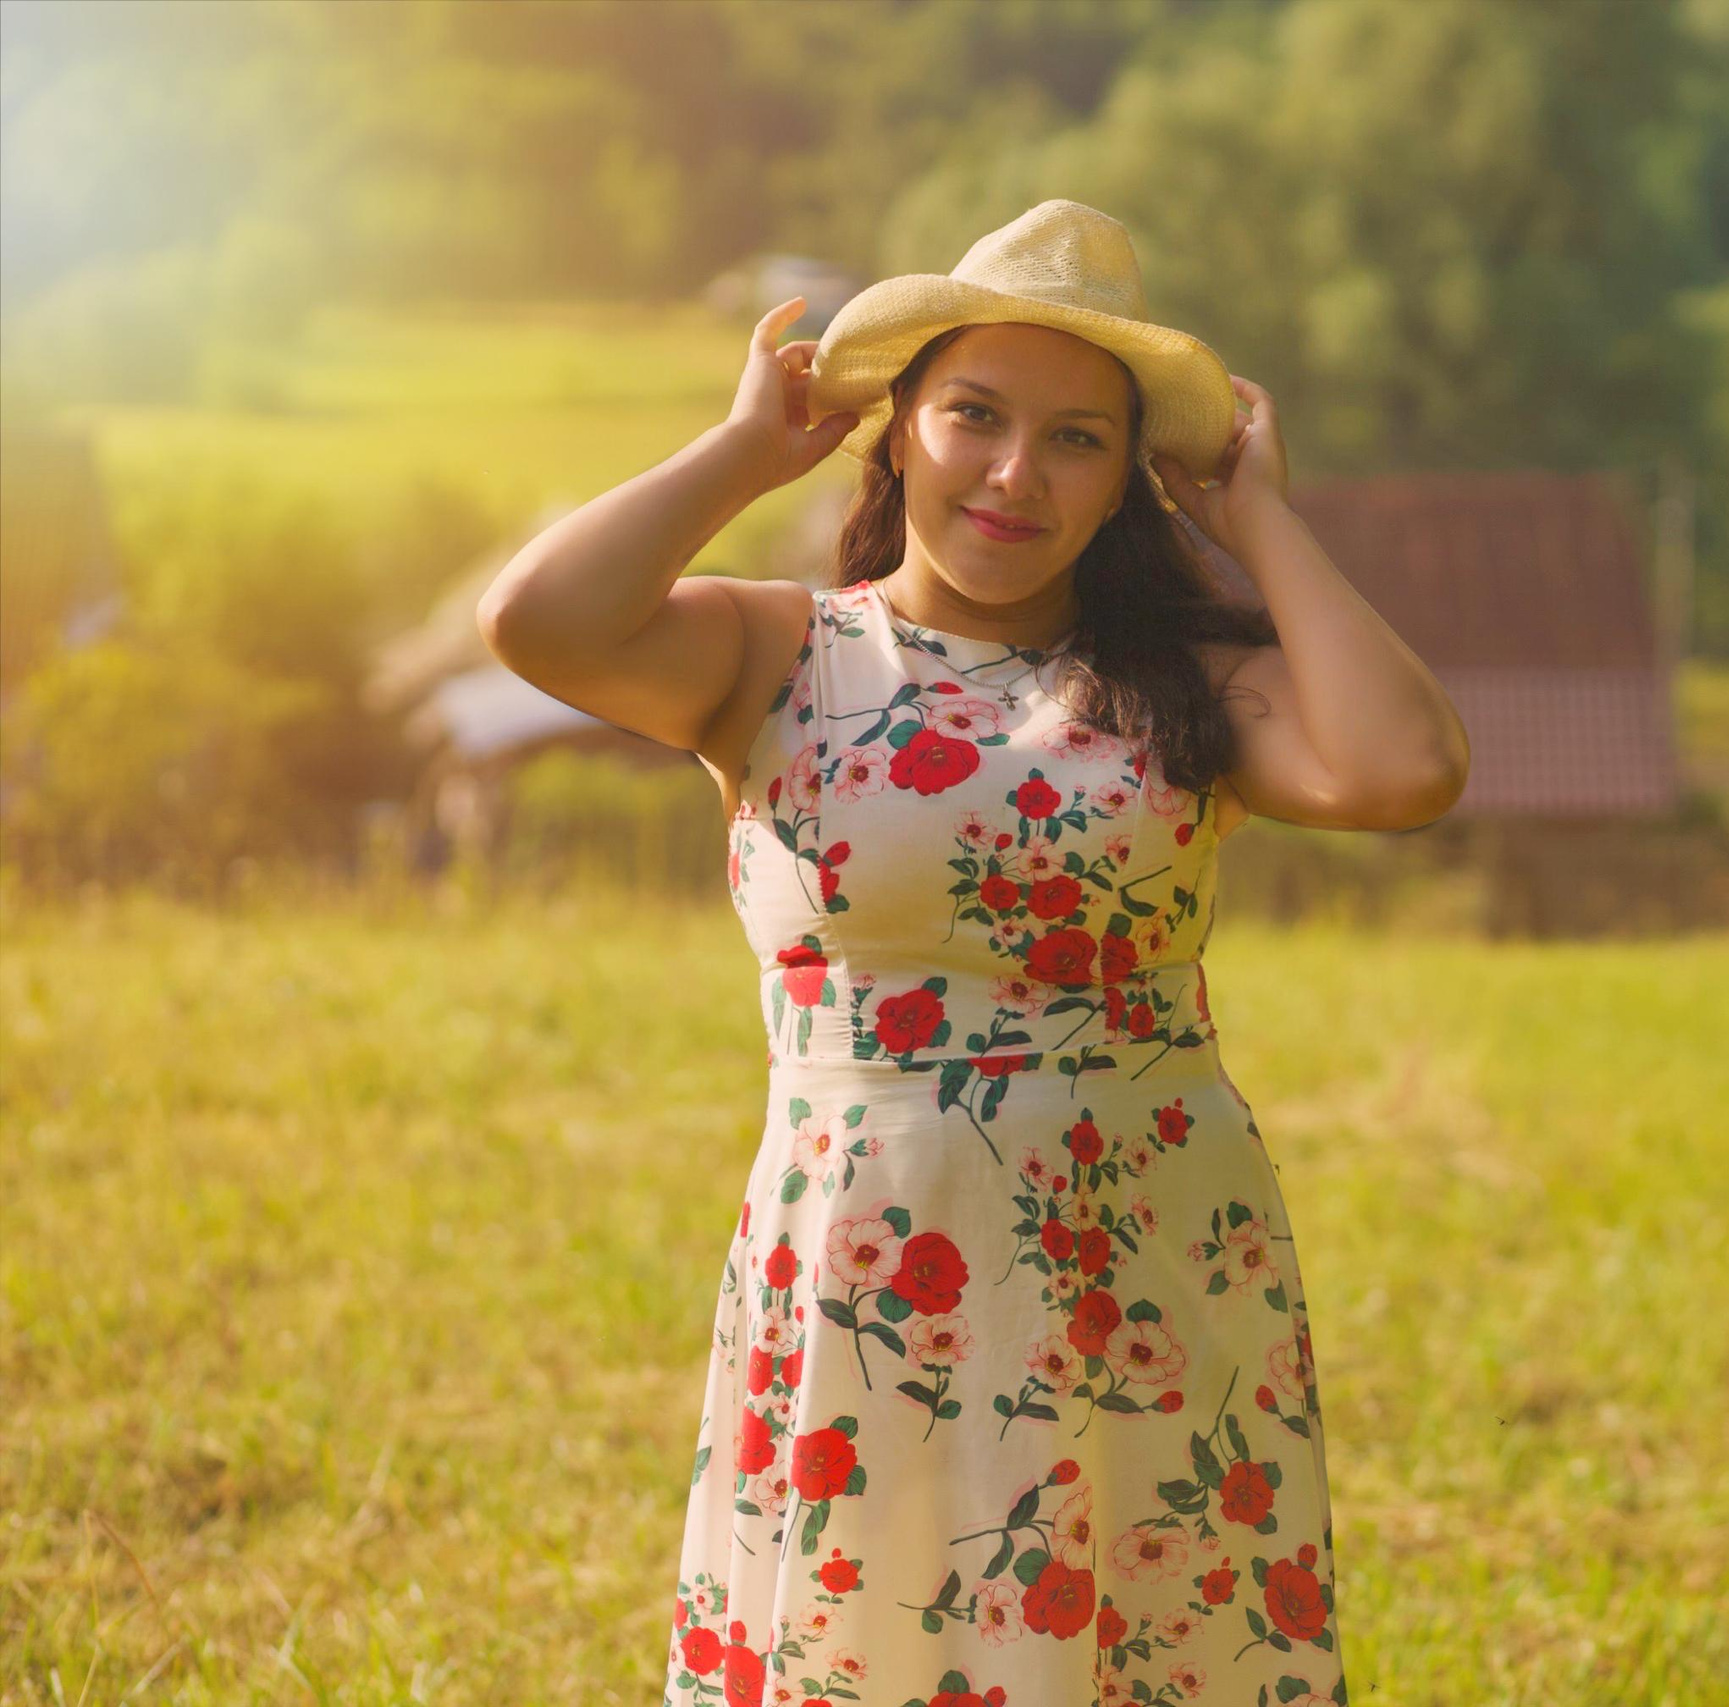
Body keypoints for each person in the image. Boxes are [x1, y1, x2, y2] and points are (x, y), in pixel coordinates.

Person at [477, 200, 1469, 1706]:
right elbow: (536, 618)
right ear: (896, 435)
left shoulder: (1186, 685)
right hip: (874, 1263)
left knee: (1152, 1641)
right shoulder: (775, 652)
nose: (1017, 473)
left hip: (1146, 1254)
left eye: (1078, 438)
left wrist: (1259, 517)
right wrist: (749, 449)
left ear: (1130, 482)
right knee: (865, 1641)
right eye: (974, 416)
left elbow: (1407, 770)